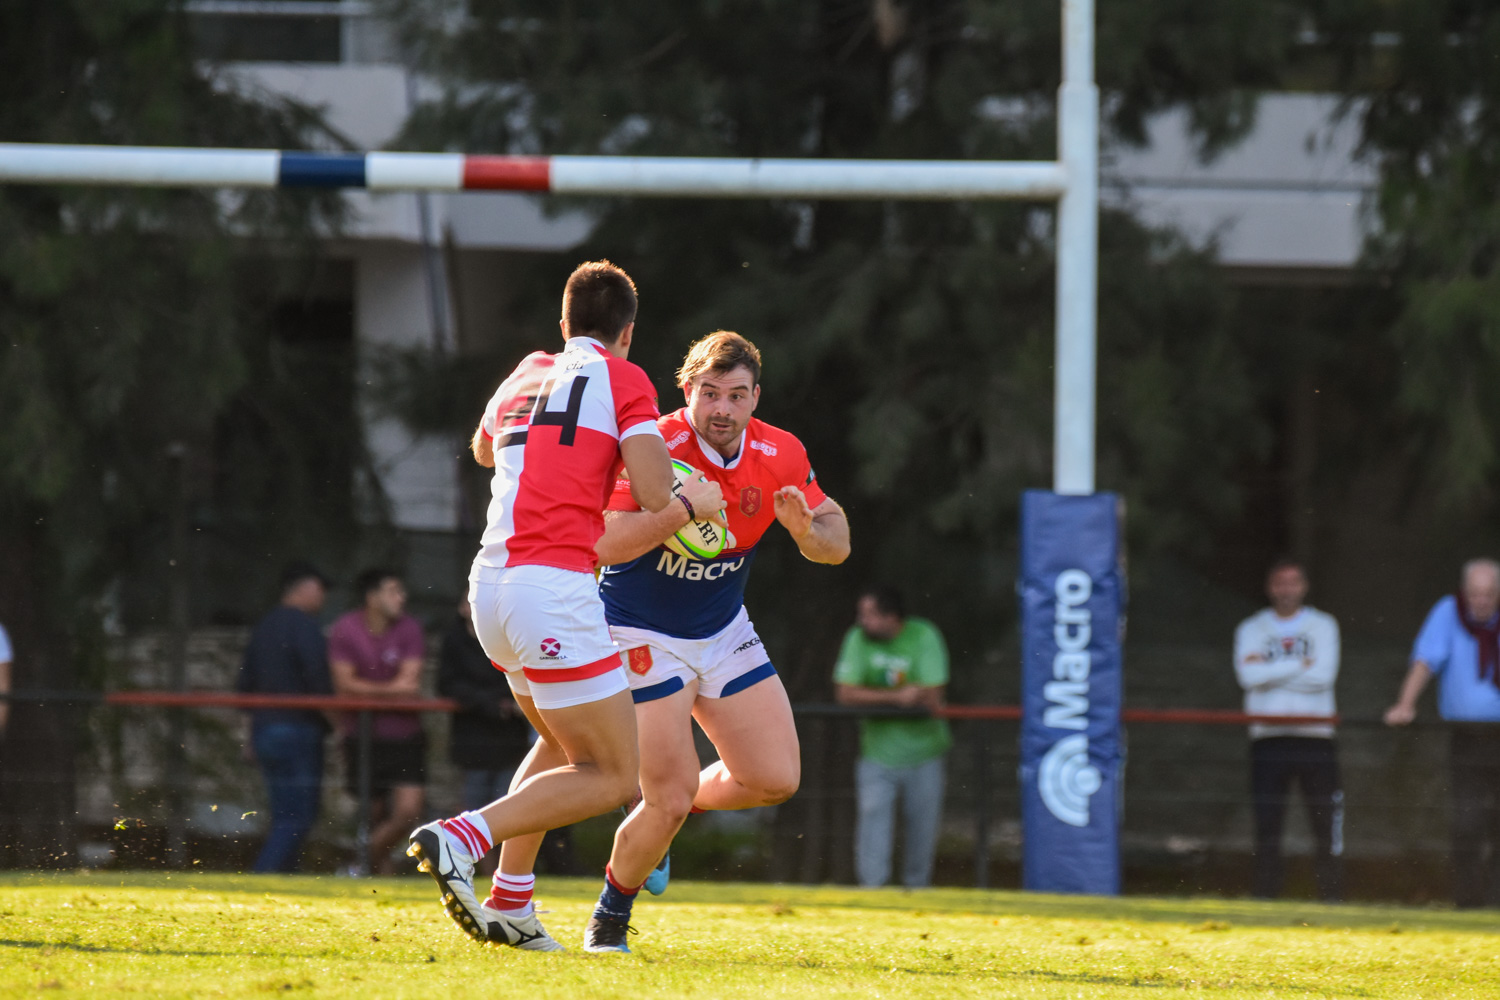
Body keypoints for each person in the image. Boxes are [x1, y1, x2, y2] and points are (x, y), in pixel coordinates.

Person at [407, 260, 675, 952]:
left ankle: (513, 903)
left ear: (563, 325)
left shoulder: (528, 369)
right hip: (550, 586)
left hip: (489, 585)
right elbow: (653, 494)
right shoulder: (627, 378)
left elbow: (482, 447)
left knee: (558, 744)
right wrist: (687, 502)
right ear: (628, 332)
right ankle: (462, 835)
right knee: (615, 773)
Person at [576, 329, 850, 952]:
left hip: (724, 629)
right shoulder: (651, 444)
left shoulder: (780, 452)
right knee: (664, 797)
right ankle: (609, 919)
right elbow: (603, 545)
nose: (721, 408)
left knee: (775, 779)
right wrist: (679, 512)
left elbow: (837, 543)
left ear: (756, 398)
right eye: (709, 393)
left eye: (736, 395)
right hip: (639, 630)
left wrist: (808, 532)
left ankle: (667, 816)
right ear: (686, 390)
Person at [1385, 558, 1500, 908]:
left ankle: (1496, 902)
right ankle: (1468, 900)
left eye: (1489, 594)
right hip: (1466, 737)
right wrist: (1405, 705)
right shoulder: (1448, 612)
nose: (1481, 601)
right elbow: (1426, 660)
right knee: (1467, 822)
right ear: (1465, 592)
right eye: (1475, 594)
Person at [1232, 559, 1343, 902]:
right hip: (1268, 738)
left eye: (1293, 582)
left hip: (1316, 738)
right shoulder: (1250, 628)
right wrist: (1300, 664)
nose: (1286, 589)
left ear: (1304, 586)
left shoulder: (1324, 625)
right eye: (1280, 582)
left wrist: (1268, 669)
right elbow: (1247, 678)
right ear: (1269, 587)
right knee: (1268, 824)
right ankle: (1265, 897)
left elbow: (1323, 677)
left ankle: (1331, 897)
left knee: (1324, 824)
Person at [833, 585, 951, 889]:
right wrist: (898, 697)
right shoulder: (857, 638)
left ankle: (918, 891)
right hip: (877, 753)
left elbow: (934, 693)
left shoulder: (924, 635)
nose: (862, 622)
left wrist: (879, 696)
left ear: (891, 616)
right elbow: (846, 692)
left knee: (922, 828)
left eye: (870, 615)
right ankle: (873, 892)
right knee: (873, 822)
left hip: (926, 752)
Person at [235, 561, 334, 873]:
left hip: (266, 731)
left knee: (283, 814)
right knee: (298, 816)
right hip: (298, 730)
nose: (323, 598)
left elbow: (246, 687)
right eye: (320, 589)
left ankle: (284, 877)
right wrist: (338, 722)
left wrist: (249, 736)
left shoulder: (264, 627)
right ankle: (262, 875)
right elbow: (319, 680)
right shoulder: (304, 627)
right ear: (305, 588)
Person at [330, 567, 426, 876]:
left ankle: (358, 863)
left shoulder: (410, 629)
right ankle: (381, 876)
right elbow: (344, 685)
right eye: (393, 590)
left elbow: (410, 685)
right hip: (362, 735)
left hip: (405, 735)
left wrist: (370, 690)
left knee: (408, 810)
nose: (402, 597)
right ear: (372, 597)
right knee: (372, 813)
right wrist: (391, 691)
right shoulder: (345, 629)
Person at [436, 593, 532, 862]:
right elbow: (447, 683)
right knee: (474, 802)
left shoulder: (507, 636)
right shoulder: (454, 640)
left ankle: (501, 870)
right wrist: (491, 703)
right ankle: (473, 864)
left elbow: (519, 673)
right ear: (462, 608)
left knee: (507, 801)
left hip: (509, 737)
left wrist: (509, 704)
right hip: (473, 737)